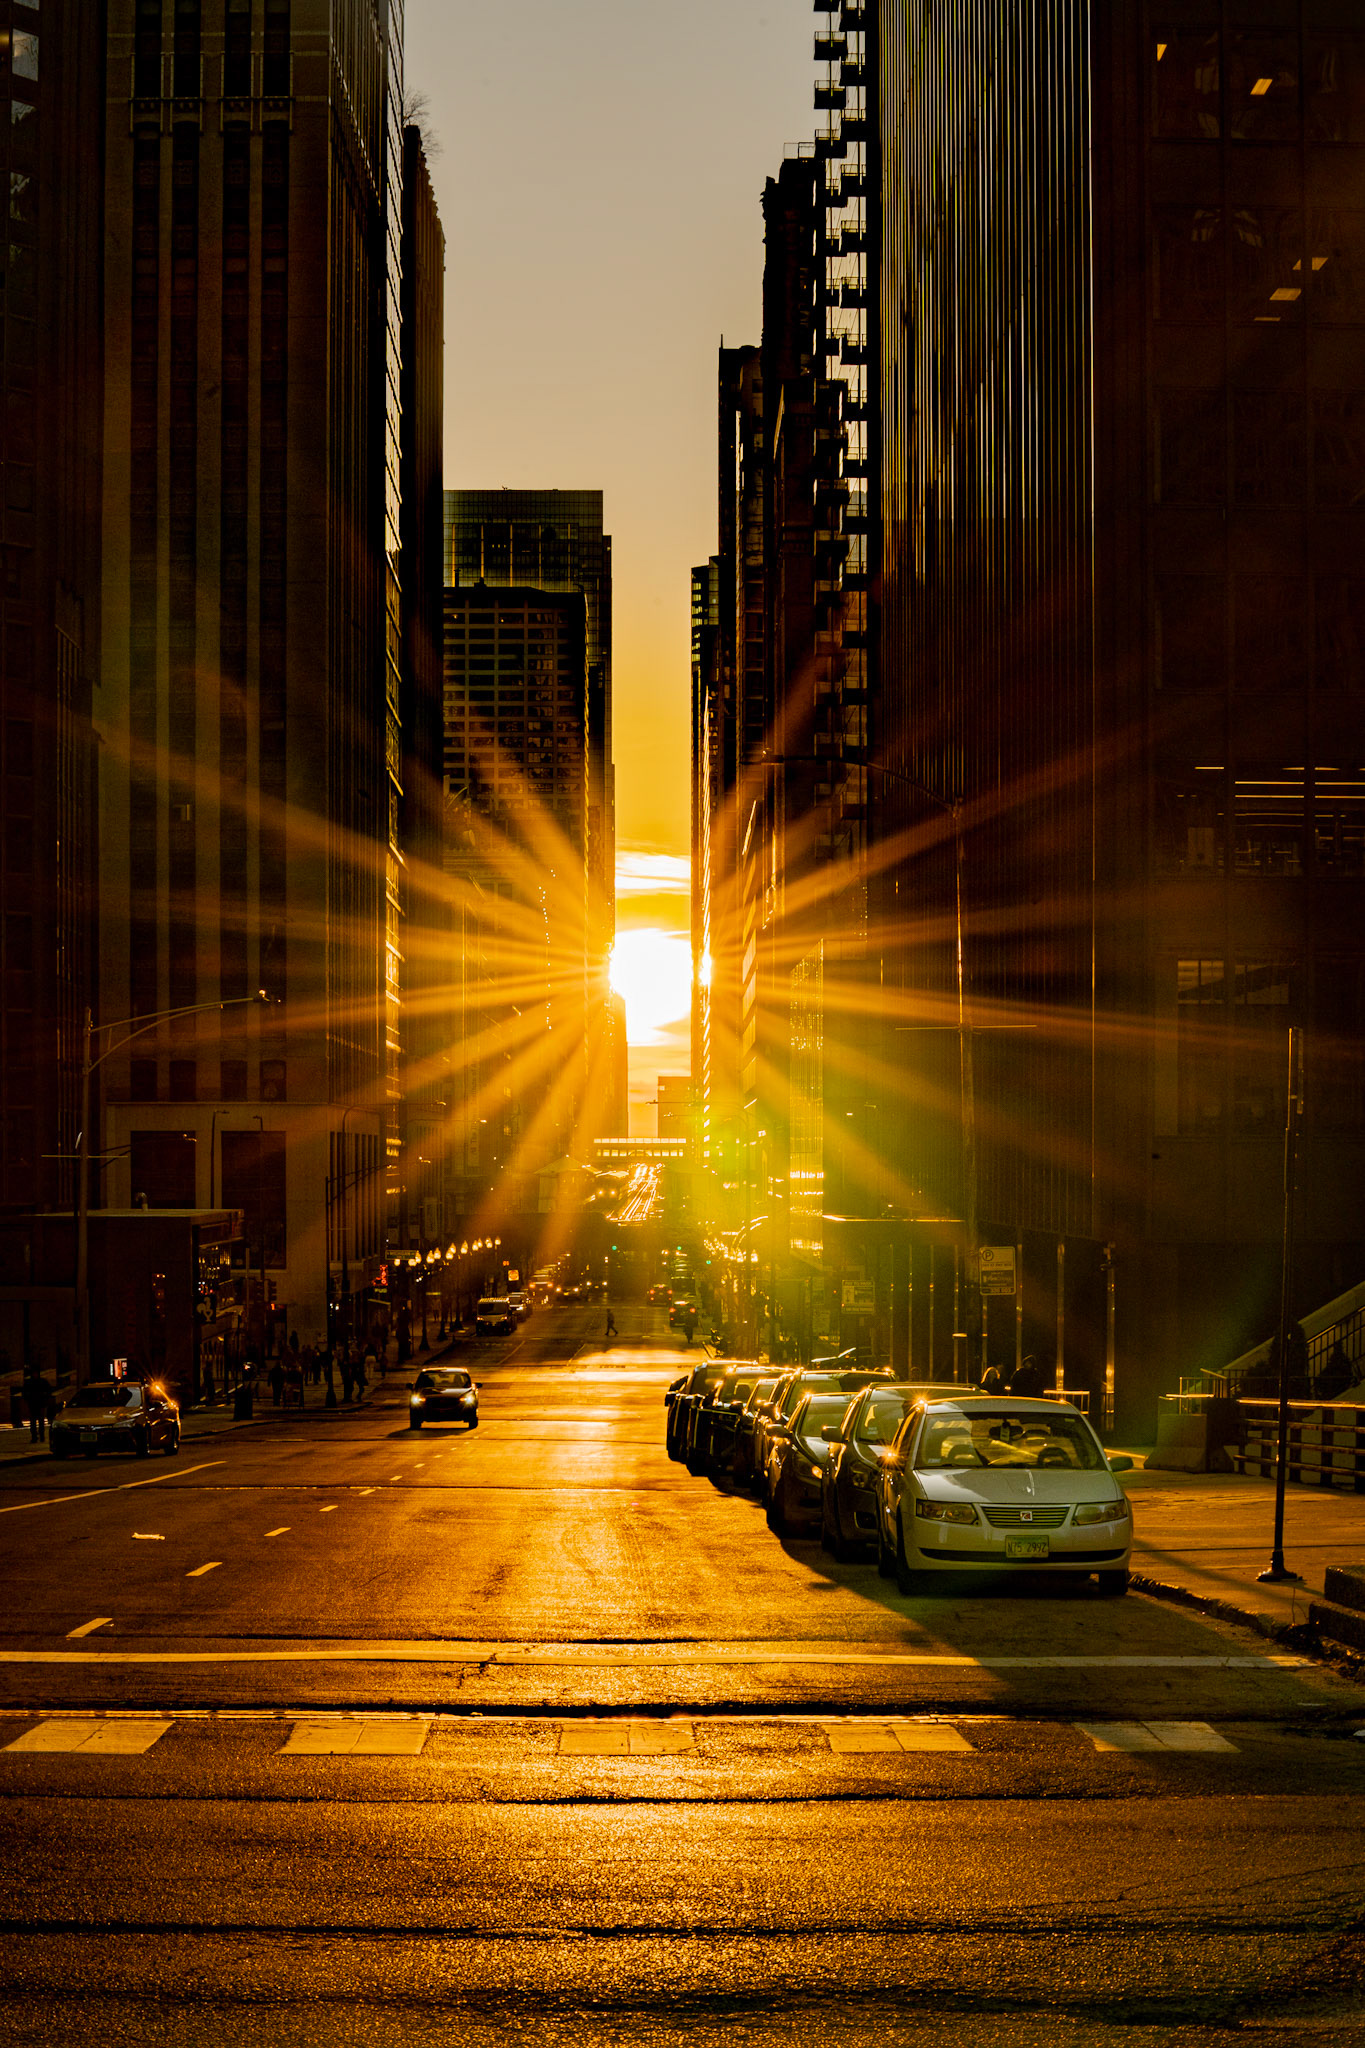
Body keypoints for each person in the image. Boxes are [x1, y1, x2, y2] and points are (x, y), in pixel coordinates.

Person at [22, 1366, 49, 1443]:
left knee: (40, 1421)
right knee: (33, 1422)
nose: (35, 1375)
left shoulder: (42, 1382)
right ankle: (34, 1436)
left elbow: (48, 1391)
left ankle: (41, 1436)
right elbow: (24, 1393)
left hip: (40, 1404)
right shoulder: (29, 1383)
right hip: (33, 1404)